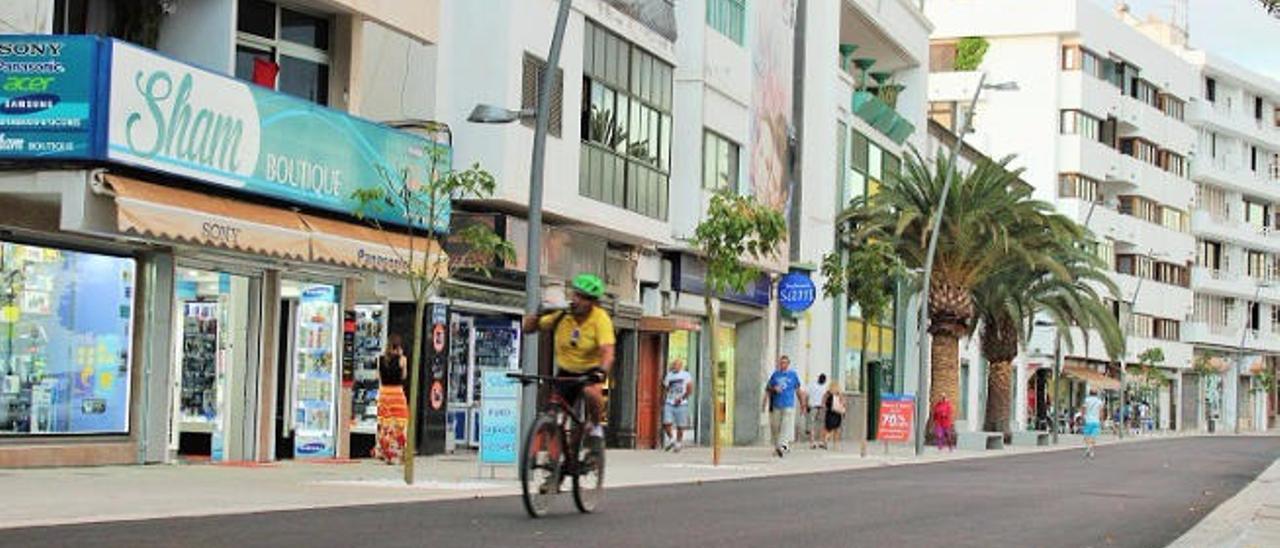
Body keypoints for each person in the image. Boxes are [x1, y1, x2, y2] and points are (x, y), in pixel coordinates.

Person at [522, 274, 615, 449]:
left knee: (592, 393)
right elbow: (528, 329)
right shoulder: (562, 315)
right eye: (575, 295)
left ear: (593, 303)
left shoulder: (600, 319)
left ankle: (595, 426)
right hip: (566, 370)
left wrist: (602, 370)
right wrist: (538, 313)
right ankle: (554, 461)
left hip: (591, 369)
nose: (577, 300)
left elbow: (607, 350)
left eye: (583, 298)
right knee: (553, 410)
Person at [372, 334, 408, 464]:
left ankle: (382, 451)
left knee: (384, 424)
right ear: (399, 346)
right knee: (399, 424)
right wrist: (401, 356)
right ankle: (397, 453)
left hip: (384, 394)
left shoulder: (380, 359)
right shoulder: (402, 359)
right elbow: (404, 376)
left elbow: (379, 377)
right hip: (397, 394)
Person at [763, 356, 801, 458]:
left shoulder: (793, 375)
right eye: (781, 363)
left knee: (785, 425)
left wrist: (802, 404)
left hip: (788, 404)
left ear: (788, 364)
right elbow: (768, 388)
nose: (783, 365)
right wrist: (765, 401)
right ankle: (778, 445)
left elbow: (798, 390)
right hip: (776, 404)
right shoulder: (775, 375)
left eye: (785, 363)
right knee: (776, 426)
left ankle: (782, 445)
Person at [661, 358, 693, 452]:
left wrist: (682, 398)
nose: (675, 366)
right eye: (674, 365)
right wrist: (664, 399)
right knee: (666, 422)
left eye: (677, 365)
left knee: (680, 425)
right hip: (669, 402)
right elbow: (665, 388)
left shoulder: (686, 375)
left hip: (681, 403)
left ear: (681, 366)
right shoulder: (669, 375)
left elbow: (690, 389)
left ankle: (678, 443)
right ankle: (671, 439)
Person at [805, 373, 828, 449]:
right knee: (820, 425)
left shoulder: (812, 385)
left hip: (814, 407)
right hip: (819, 407)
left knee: (813, 424)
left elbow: (807, 396)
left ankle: (813, 442)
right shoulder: (824, 387)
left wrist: (806, 404)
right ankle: (819, 441)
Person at [1081, 388, 1104, 459]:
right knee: (1093, 436)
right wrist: (1101, 420)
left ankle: (1088, 448)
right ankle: (1091, 451)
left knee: (1087, 436)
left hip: (1088, 420)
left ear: (1089, 393)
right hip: (1096, 421)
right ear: (1096, 394)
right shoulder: (1099, 401)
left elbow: (1083, 410)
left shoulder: (1086, 400)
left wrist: (1082, 417)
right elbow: (1101, 412)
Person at [822, 382, 845, 449]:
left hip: (829, 413)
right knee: (836, 429)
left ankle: (826, 440)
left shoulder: (827, 394)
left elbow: (823, 403)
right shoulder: (839, 394)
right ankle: (835, 445)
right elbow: (843, 403)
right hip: (837, 413)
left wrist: (826, 408)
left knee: (828, 428)